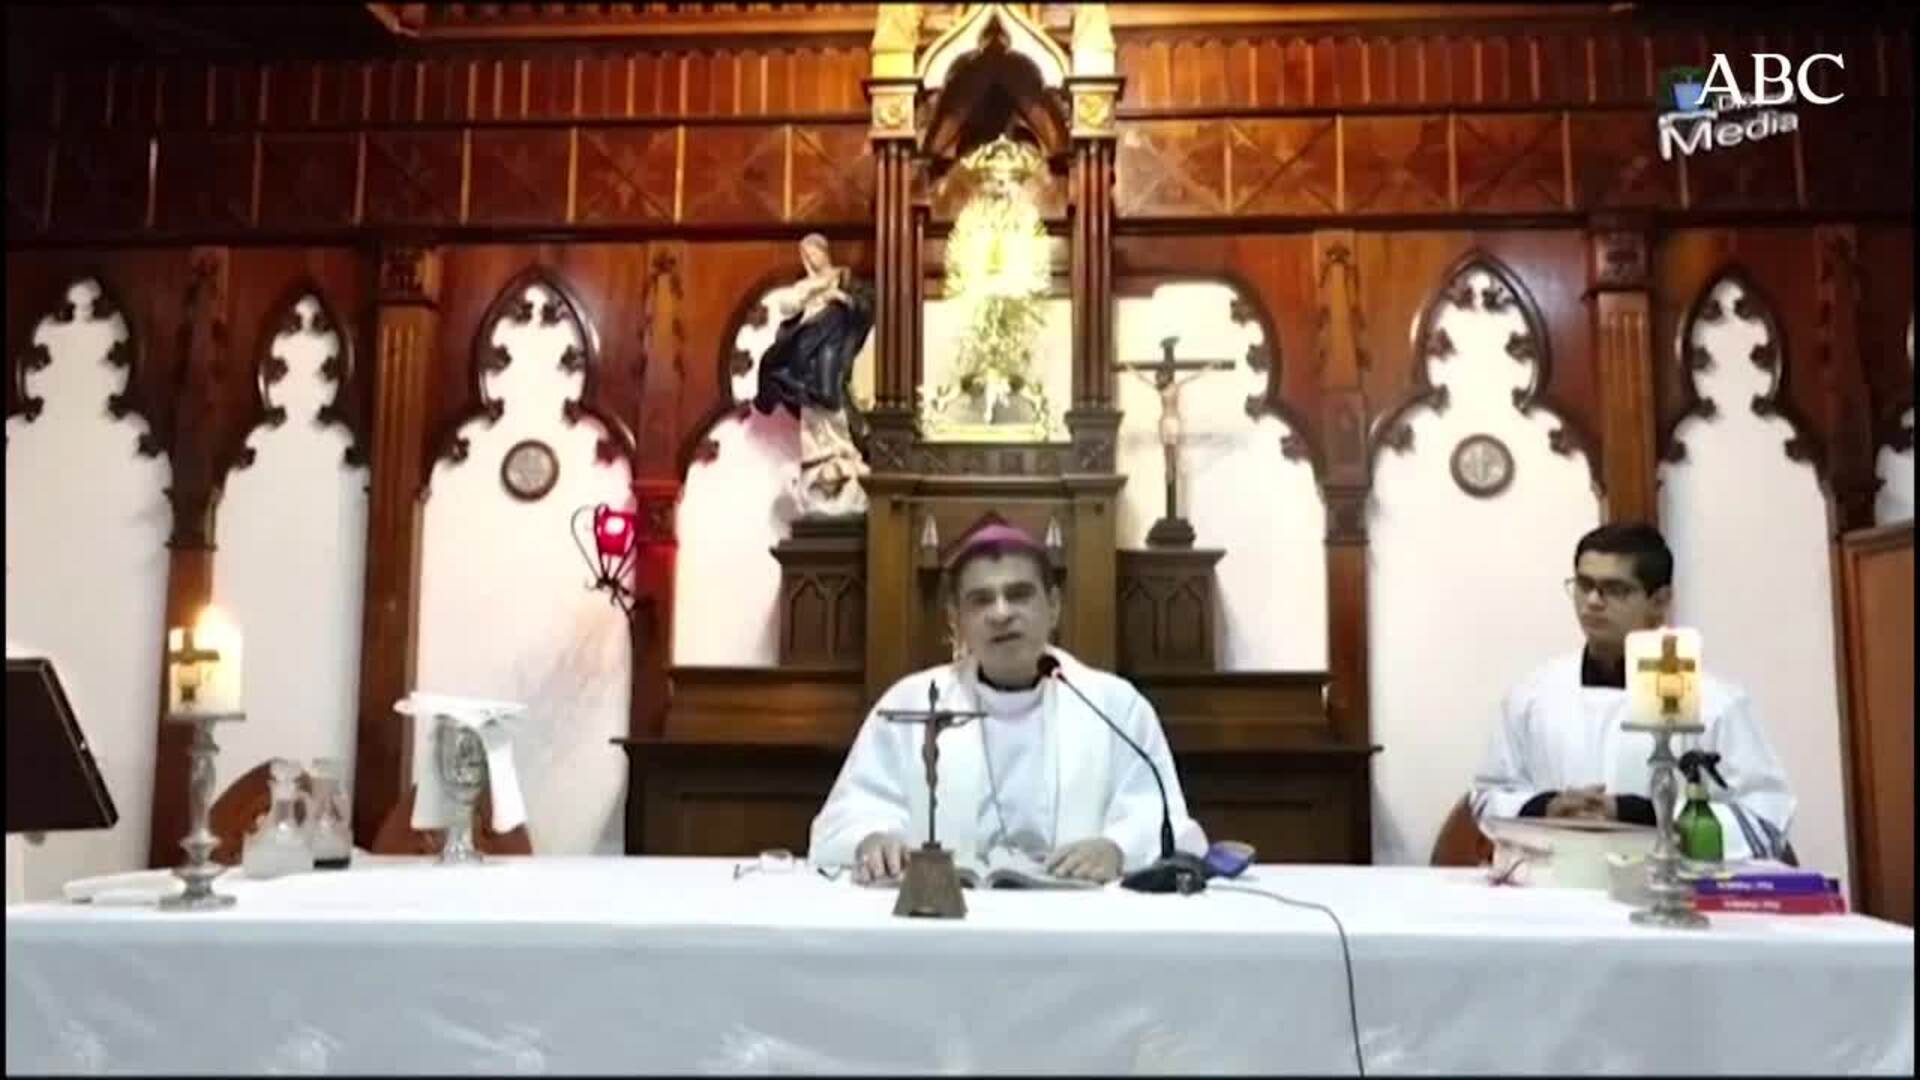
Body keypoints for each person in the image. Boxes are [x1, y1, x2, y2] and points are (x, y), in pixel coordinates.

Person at [808, 523, 1207, 884]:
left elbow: (1160, 816)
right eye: (981, 600)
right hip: (946, 920)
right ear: (955, 620)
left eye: (1019, 595)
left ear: (1053, 606)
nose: (1001, 613)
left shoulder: (1114, 706)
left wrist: (1116, 849)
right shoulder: (912, 702)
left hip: (1077, 918)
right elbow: (850, 812)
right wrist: (871, 839)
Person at [1469, 523, 1796, 862]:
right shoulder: (1533, 695)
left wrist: (1639, 814)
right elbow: (1489, 796)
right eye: (1584, 585)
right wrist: (1547, 807)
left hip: (1669, 883)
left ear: (1660, 600)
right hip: (1555, 880)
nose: (1593, 601)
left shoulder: (1714, 703)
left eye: (1615, 589)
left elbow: (1764, 820)